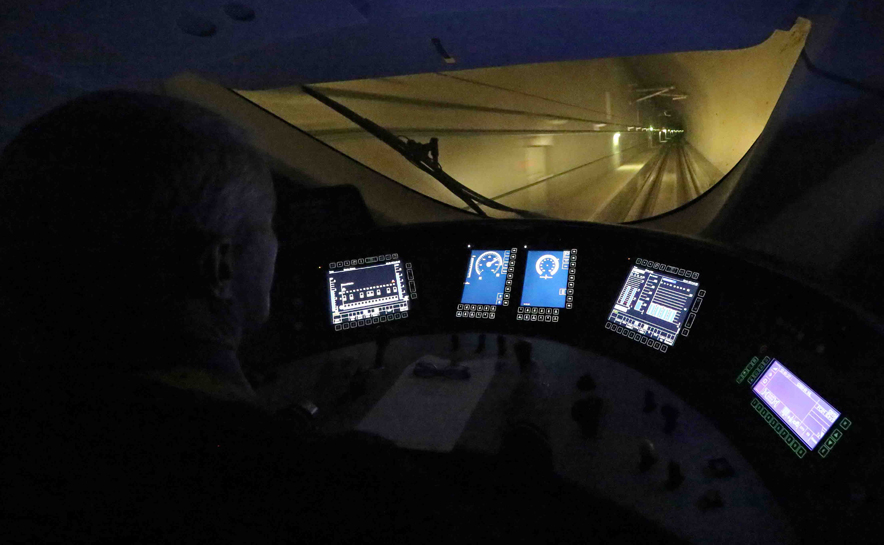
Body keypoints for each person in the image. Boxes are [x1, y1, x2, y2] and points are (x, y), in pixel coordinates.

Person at [0, 91, 679, 543]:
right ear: (220, 268)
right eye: (268, 227)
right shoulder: (339, 495)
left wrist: (302, 417)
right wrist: (526, 427)